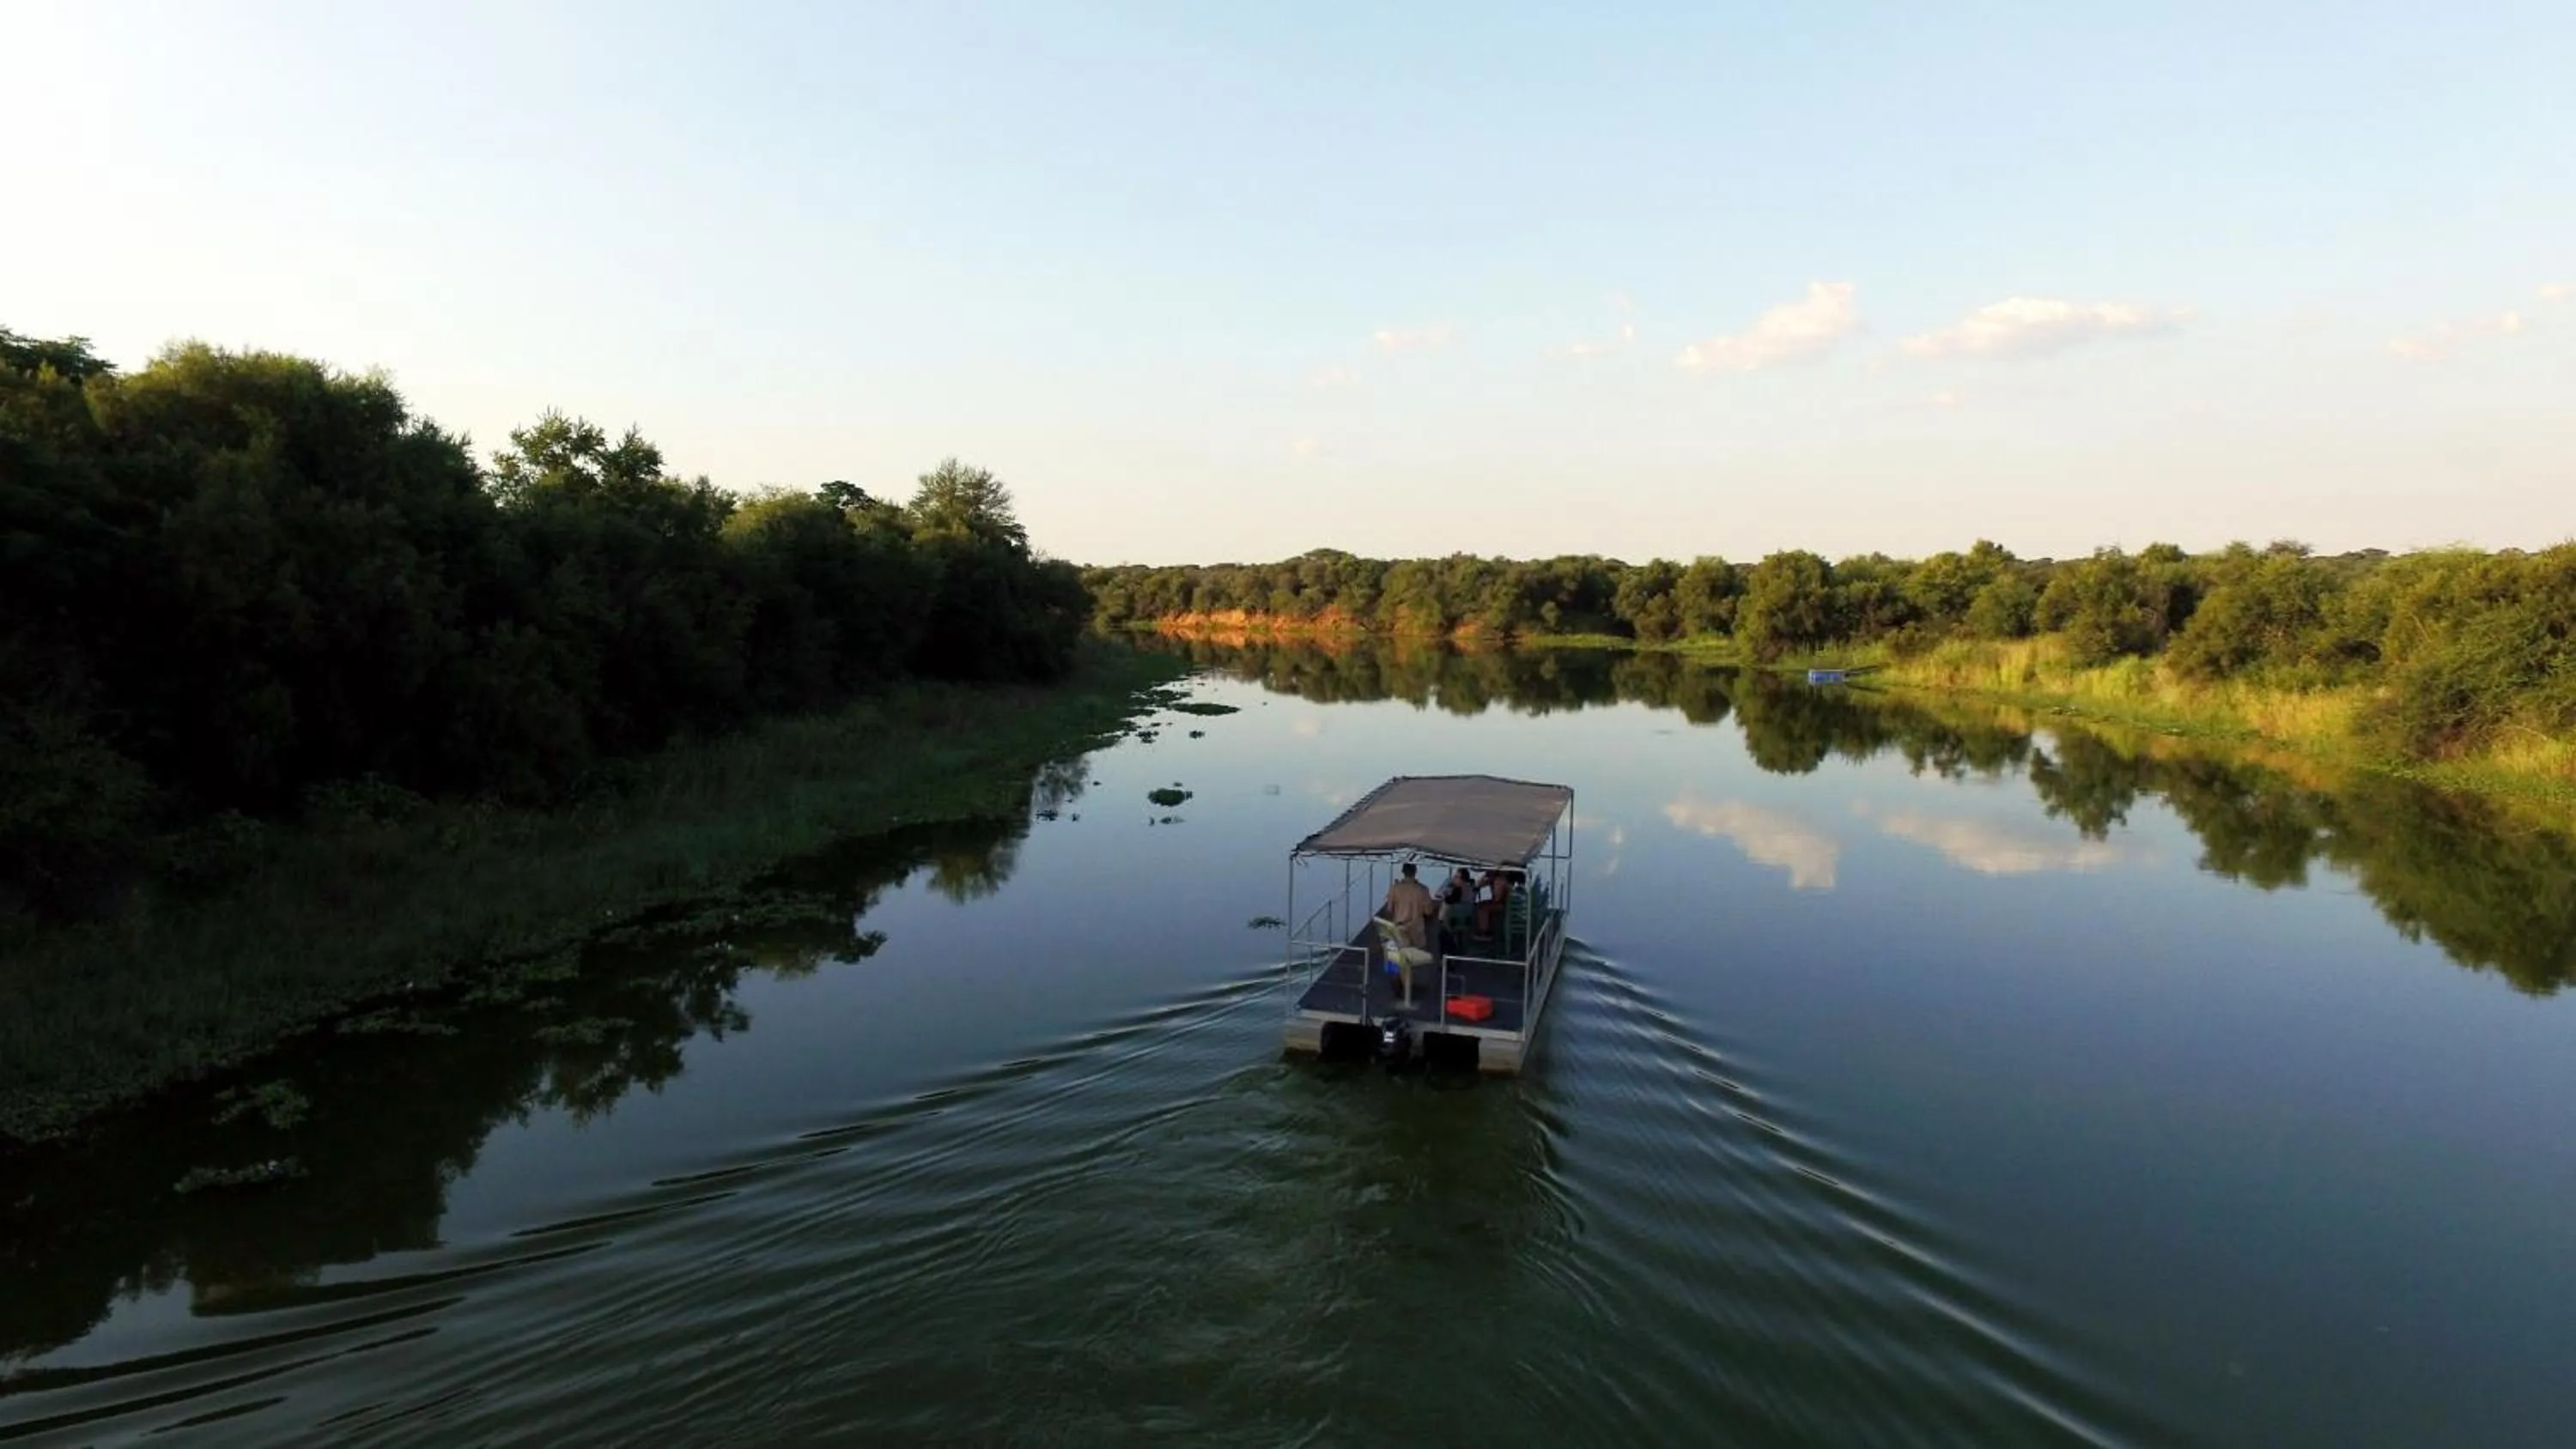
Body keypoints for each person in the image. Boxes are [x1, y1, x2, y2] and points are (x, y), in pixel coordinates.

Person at [1379, 862, 1435, 952]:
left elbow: (1389, 910)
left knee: (1402, 957)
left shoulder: (1395, 888)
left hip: (1400, 928)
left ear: (1402, 872)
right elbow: (1428, 911)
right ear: (1415, 871)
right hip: (1417, 929)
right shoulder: (1423, 889)